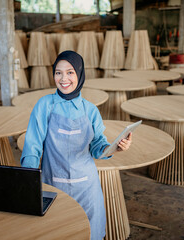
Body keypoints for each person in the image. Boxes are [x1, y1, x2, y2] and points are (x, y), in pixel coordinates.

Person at [21, 50, 132, 240]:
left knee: (88, 233)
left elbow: (98, 147)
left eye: (70, 72)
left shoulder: (90, 110)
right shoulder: (45, 105)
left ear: (80, 74)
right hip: (53, 185)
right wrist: (26, 181)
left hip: (87, 190)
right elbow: (32, 146)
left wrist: (115, 147)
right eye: (58, 72)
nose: (64, 78)